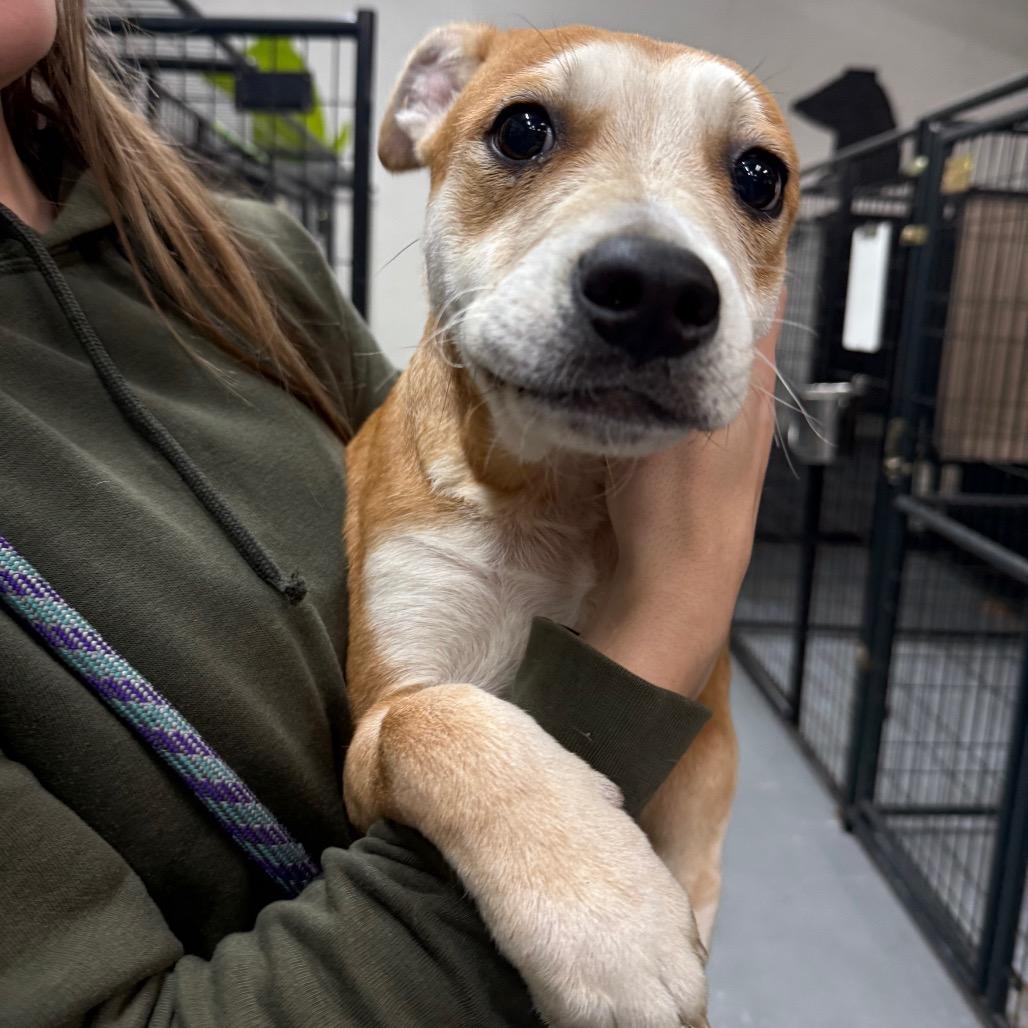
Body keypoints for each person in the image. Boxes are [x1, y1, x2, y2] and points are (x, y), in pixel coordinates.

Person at [0, 2, 781, 1025]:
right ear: (426, 113)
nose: (653, 266)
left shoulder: (244, 257)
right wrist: (671, 605)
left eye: (752, 177)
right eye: (526, 132)